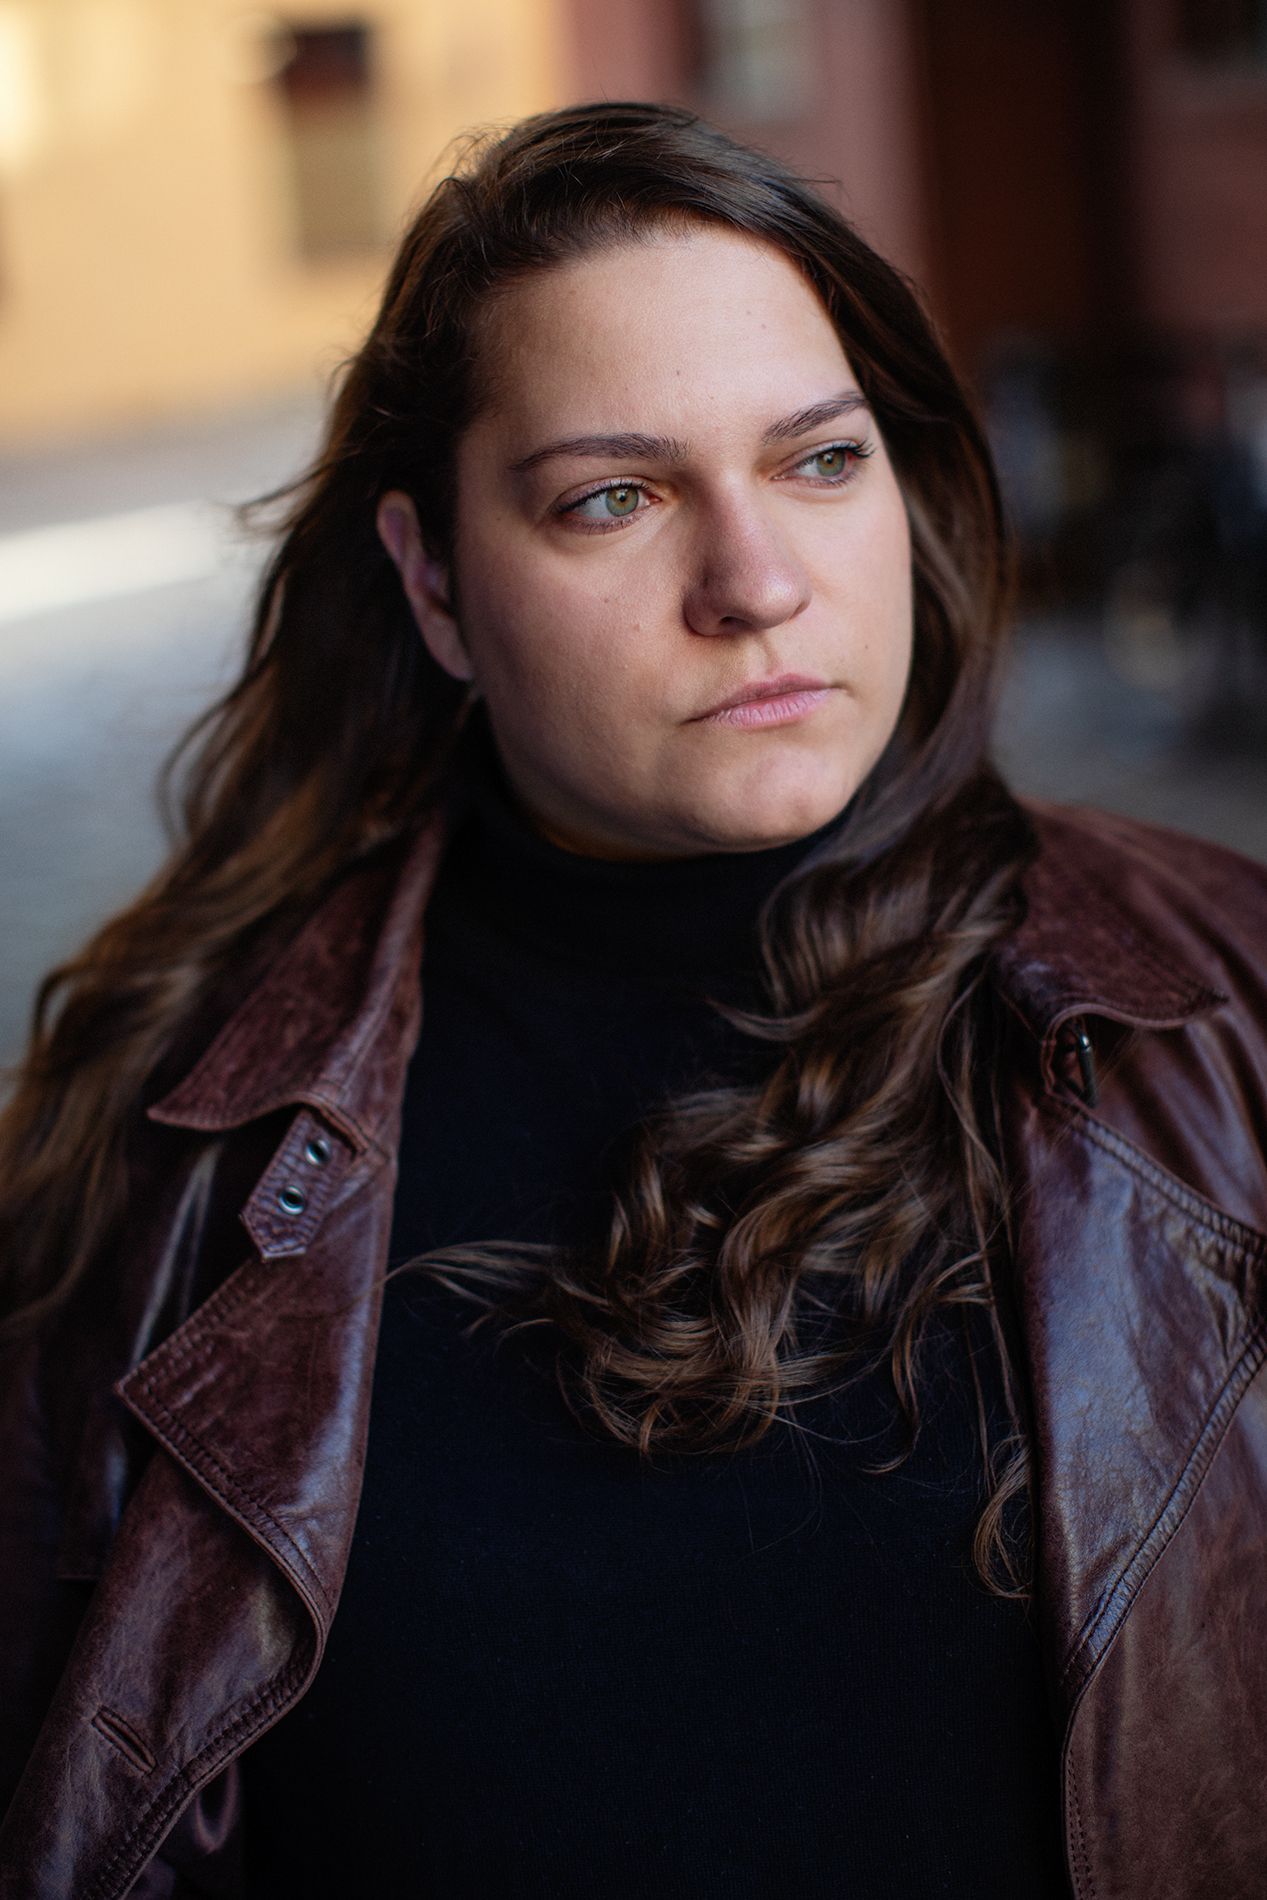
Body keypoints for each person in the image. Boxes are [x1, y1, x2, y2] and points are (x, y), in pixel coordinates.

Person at [1, 100, 1265, 1900]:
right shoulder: (169, 1144)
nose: (757, 585)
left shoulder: (1226, 1014)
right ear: (435, 583)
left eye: (819, 462)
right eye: (614, 497)